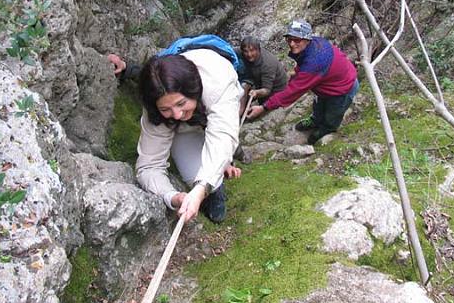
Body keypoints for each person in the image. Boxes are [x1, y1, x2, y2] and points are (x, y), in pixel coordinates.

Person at [108, 49, 242, 223]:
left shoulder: (218, 81)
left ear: (192, 90)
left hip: (218, 103)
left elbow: (223, 135)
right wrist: (172, 196)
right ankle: (214, 187)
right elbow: (148, 166)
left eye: (181, 103)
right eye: (166, 109)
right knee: (195, 176)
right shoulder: (156, 104)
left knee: (221, 151)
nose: (177, 114)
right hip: (186, 128)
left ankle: (230, 159)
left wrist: (202, 188)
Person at [245, 19, 359, 145]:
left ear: (307, 39)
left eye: (297, 40)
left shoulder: (315, 62)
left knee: (333, 113)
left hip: (343, 88)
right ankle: (315, 120)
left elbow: (293, 92)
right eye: (289, 39)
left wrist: (263, 107)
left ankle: (326, 129)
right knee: (319, 105)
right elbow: (304, 62)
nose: (292, 44)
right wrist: (297, 71)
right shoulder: (314, 43)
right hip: (329, 83)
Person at [237, 35, 288, 116]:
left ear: (259, 50)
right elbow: (229, 51)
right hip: (257, 80)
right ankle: (240, 111)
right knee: (244, 86)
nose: (249, 54)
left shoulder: (267, 64)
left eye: (252, 51)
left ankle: (241, 113)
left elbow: (266, 90)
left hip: (275, 93)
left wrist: (256, 92)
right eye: (245, 51)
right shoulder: (242, 53)